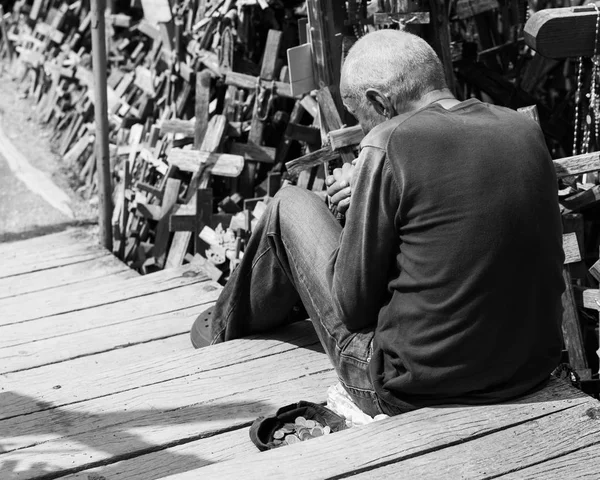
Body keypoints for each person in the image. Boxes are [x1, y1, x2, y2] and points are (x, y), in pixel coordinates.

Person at [190, 30, 565, 417]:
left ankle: (221, 327)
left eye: (359, 116)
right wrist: (375, 192)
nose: (363, 130)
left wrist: (362, 204)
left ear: (378, 102)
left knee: (290, 204)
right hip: (528, 370)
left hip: (411, 385)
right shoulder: (522, 128)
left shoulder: (388, 140)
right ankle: (256, 309)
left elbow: (353, 309)